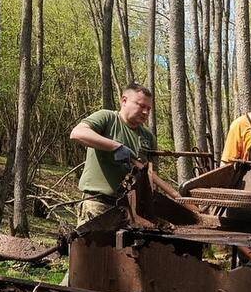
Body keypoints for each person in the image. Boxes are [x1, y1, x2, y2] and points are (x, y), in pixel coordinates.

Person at [69, 82, 178, 224]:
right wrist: (115, 146)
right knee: (95, 246)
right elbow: (77, 133)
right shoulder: (107, 118)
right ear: (124, 101)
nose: (146, 112)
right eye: (141, 106)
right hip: (99, 205)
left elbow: (152, 176)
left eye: (149, 109)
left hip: (132, 211)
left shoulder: (148, 137)